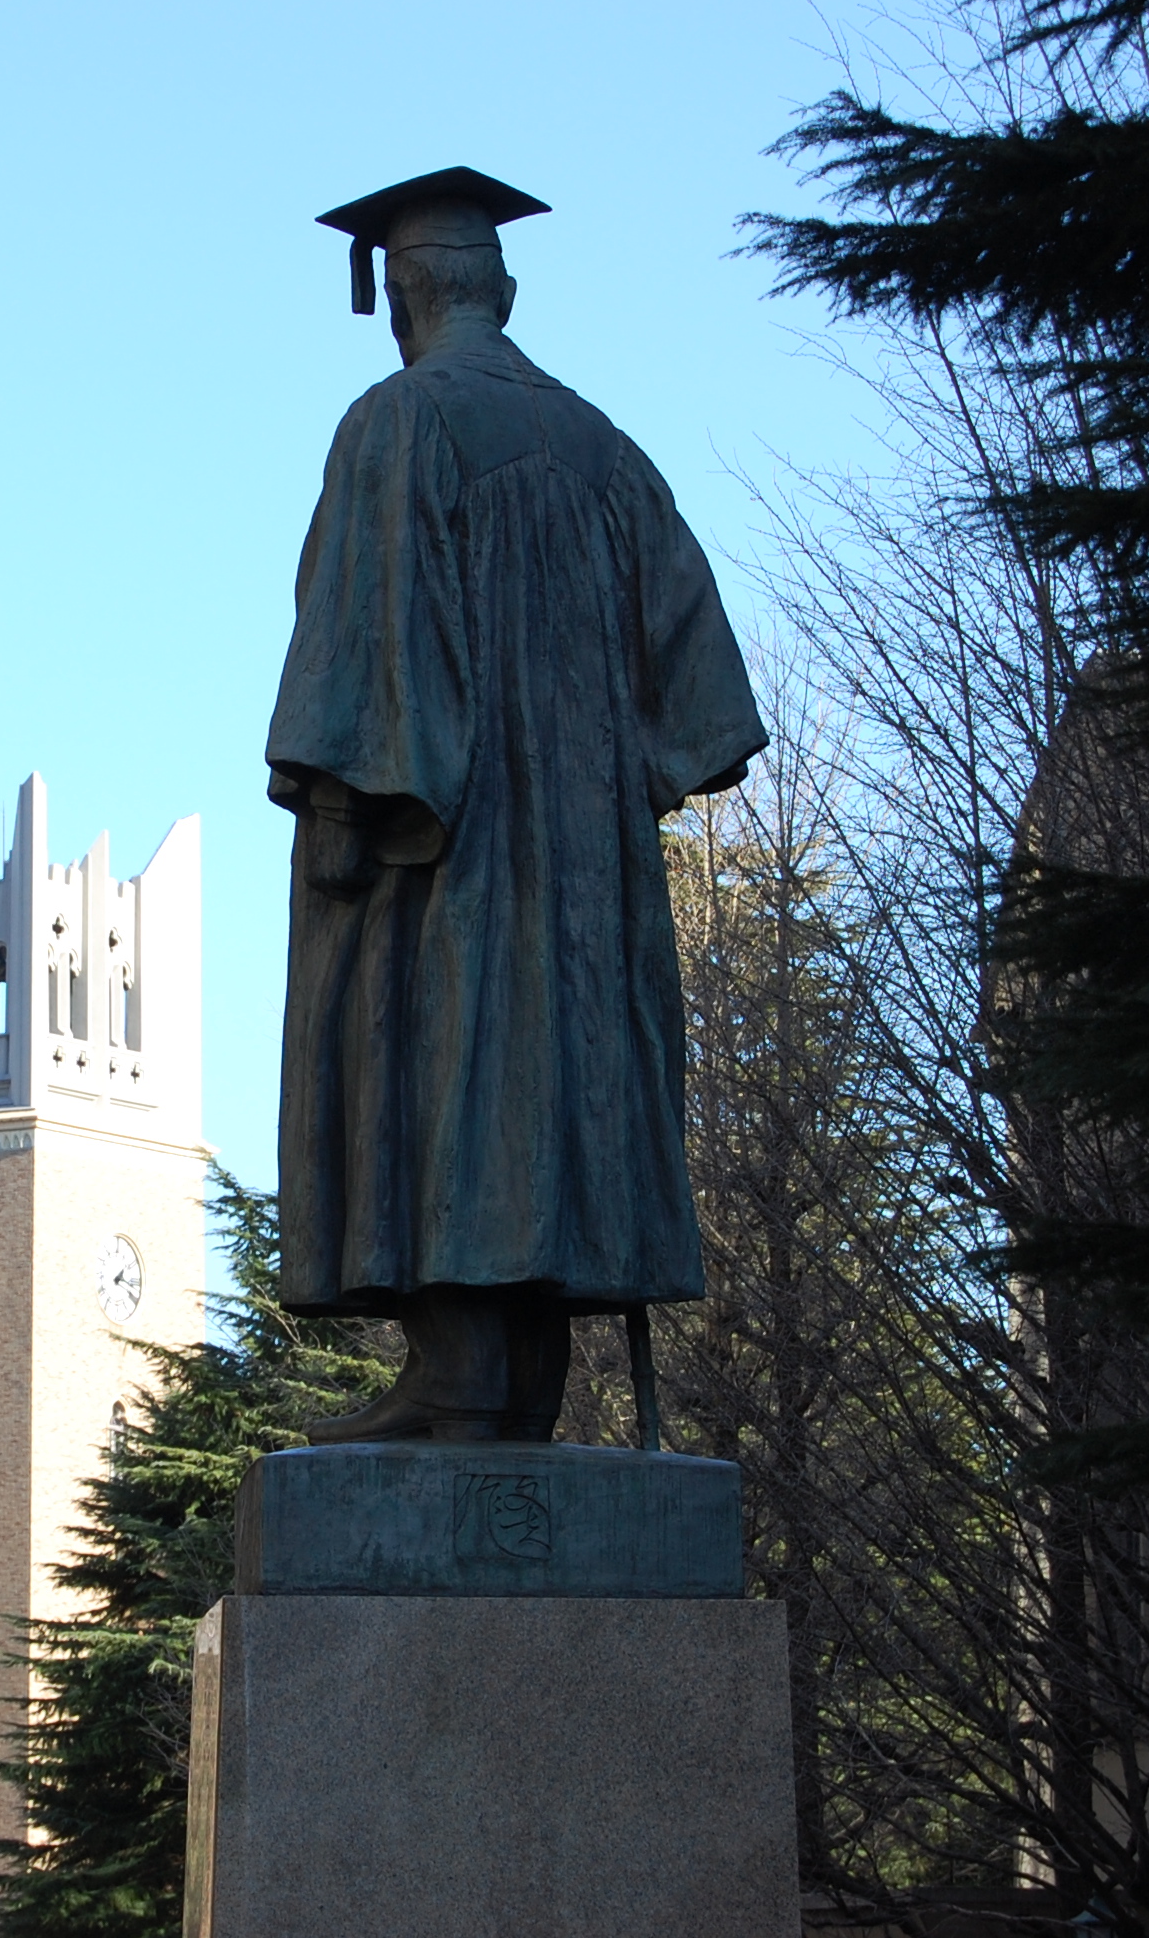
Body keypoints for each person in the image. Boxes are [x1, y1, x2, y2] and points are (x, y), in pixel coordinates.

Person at [269, 166, 767, 1443]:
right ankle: (511, 1386)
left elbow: (362, 645)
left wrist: (342, 812)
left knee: (438, 1059)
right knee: (553, 1080)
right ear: (503, 288)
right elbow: (702, 701)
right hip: (587, 871)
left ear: (401, 293)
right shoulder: (607, 449)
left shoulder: (397, 421)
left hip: (448, 848)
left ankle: (460, 1375)